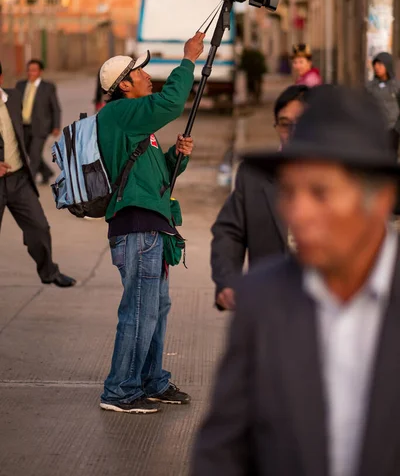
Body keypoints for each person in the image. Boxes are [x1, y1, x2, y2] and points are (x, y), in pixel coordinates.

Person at [192, 85, 400, 476]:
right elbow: (221, 452)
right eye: (290, 192)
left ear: (381, 200)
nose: (297, 213)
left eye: (320, 193)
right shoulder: (262, 303)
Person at [98, 32, 204, 415]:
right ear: (124, 85)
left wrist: (178, 156)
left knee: (155, 309)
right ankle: (120, 390)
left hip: (152, 225)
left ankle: (150, 381)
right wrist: (188, 59)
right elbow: (173, 101)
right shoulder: (119, 114)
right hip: (137, 228)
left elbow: (160, 179)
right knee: (140, 310)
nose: (146, 74)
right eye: (139, 71)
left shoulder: (137, 126)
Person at [211, 85, 308, 311]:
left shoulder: (342, 179)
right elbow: (229, 231)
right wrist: (228, 282)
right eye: (285, 124)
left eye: (302, 122)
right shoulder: (254, 175)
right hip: (271, 310)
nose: (293, 131)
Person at [0, 62, 75, 287]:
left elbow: (29, 123)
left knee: (39, 228)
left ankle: (49, 272)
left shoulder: (12, 98)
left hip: (19, 179)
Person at [16, 59, 61, 184]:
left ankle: (29, 181)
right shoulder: (20, 85)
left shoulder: (48, 87)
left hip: (41, 127)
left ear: (40, 72)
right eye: (29, 70)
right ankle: (46, 172)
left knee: (34, 154)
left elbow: (55, 108)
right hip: (23, 125)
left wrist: (56, 126)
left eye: (34, 70)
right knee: (27, 152)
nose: (31, 73)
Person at [367, 51, 400, 154]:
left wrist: (397, 128)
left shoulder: (396, 86)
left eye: (380, 64)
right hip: (375, 129)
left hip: (392, 129)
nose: (377, 67)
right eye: (375, 64)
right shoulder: (370, 86)